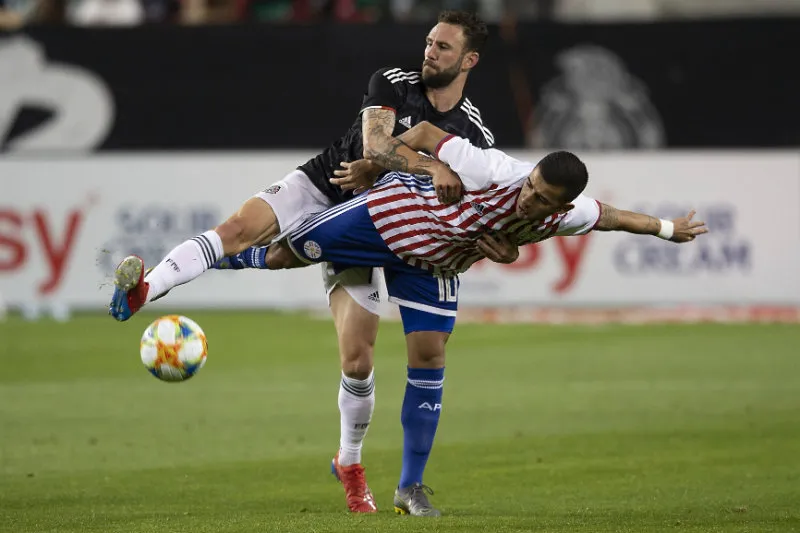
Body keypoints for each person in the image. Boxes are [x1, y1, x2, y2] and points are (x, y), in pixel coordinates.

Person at [119, 122, 708, 516]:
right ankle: (161, 282)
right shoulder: (491, 167)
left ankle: (408, 485)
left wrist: (667, 229)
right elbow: (424, 132)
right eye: (530, 189)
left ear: (560, 206)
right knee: (276, 254)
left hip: (431, 264)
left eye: (542, 201)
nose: (530, 200)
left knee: (424, 356)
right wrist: (433, 168)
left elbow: (612, 218)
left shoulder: (567, 213)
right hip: (384, 219)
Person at [108, 11, 507, 516]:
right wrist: (429, 165)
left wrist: (491, 239)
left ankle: (350, 461)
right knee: (236, 232)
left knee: (363, 361)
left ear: (469, 60)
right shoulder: (392, 80)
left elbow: (476, 203)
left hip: (389, 231)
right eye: (429, 42)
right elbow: (375, 145)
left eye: (444, 47)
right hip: (326, 185)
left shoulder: (474, 134)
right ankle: (144, 289)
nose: (430, 52)